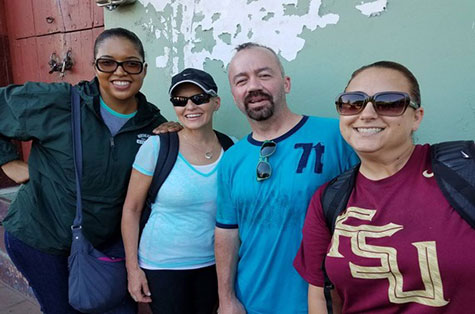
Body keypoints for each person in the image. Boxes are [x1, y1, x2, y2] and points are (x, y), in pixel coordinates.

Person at [0, 28, 171, 314]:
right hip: (40, 237)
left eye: (131, 63)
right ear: (95, 66)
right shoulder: (61, 104)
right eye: (107, 63)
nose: (120, 72)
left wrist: (180, 133)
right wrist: (8, 161)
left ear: (144, 69)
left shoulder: (152, 124)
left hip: (102, 244)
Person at [294, 61, 475, 313]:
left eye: (389, 103)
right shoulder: (328, 199)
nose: (366, 113)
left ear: (416, 118)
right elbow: (321, 296)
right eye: (353, 102)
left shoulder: (465, 170)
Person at [214, 42, 358, 314]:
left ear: (286, 83)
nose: (253, 86)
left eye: (264, 75)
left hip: (326, 302)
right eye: (241, 80)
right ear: (234, 95)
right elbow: (227, 231)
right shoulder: (232, 159)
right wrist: (227, 298)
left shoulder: (337, 136)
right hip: (253, 302)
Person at [122, 68, 234, 314]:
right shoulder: (156, 147)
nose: (190, 106)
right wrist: (133, 269)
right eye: (180, 101)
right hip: (163, 266)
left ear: (216, 102)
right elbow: (131, 209)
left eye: (199, 98)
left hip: (214, 263)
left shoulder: (232, 148)